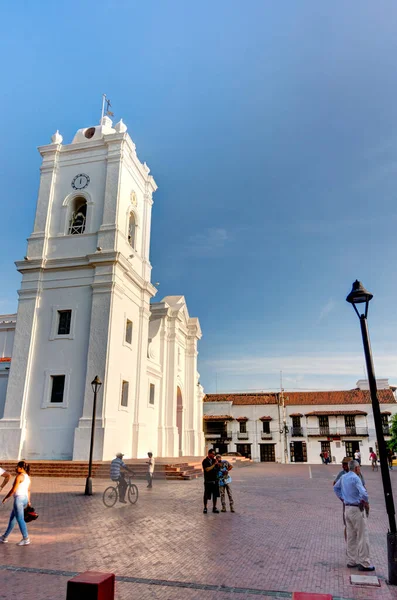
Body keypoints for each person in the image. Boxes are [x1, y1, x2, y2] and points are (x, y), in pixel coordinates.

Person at [334, 460, 374, 571]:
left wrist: (343, 498)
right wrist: (364, 501)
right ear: (356, 468)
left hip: (347, 508)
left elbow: (335, 488)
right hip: (356, 508)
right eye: (359, 468)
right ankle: (364, 562)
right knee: (362, 536)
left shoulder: (343, 477)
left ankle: (351, 560)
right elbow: (364, 493)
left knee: (351, 536)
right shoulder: (356, 478)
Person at [0, 460, 31, 546]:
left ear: (21, 468)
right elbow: (28, 490)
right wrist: (28, 501)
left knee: (20, 519)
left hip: (19, 500)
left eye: (17, 466)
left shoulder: (19, 476)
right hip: (24, 499)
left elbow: (13, 490)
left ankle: (26, 538)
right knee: (12, 519)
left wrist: (6, 497)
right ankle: (4, 537)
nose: (16, 468)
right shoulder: (27, 477)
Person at [202, 449, 220, 514]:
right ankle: (205, 508)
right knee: (206, 495)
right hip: (208, 481)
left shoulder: (214, 460)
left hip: (215, 481)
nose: (214, 455)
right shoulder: (205, 461)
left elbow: (217, 469)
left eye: (214, 454)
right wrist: (214, 465)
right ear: (209, 454)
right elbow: (207, 469)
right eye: (213, 454)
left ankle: (214, 507)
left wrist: (218, 464)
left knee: (215, 495)